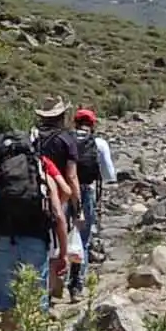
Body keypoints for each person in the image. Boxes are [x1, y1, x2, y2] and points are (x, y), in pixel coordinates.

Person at [0, 130, 67, 327]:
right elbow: (59, 216)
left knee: (8, 306)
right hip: (36, 240)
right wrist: (63, 253)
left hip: (3, 243)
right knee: (35, 303)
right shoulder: (40, 172)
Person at [32, 104, 86, 303]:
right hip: (59, 194)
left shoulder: (32, 137)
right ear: (62, 116)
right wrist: (77, 204)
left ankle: (43, 288)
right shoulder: (66, 139)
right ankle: (68, 286)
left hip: (34, 194)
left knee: (43, 242)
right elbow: (71, 176)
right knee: (65, 241)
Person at [70, 108, 117, 269]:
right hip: (85, 191)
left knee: (59, 237)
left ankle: (57, 281)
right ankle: (77, 284)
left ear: (75, 123)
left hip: (63, 191)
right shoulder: (99, 143)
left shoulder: (65, 140)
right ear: (92, 125)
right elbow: (109, 174)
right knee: (82, 239)